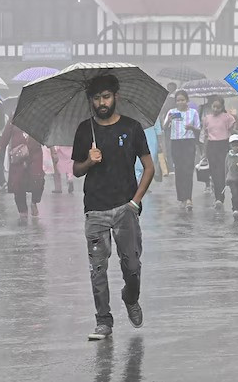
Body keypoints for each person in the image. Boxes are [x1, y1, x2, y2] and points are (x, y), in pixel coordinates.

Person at [71, 75, 154, 341]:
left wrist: (135, 202)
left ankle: (131, 297)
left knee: (131, 266)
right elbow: (76, 171)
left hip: (125, 208)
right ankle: (103, 321)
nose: (101, 102)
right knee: (98, 269)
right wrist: (88, 161)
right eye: (96, 98)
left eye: (106, 96)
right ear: (90, 101)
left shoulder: (132, 127)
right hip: (95, 209)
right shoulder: (85, 130)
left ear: (115, 96)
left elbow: (149, 168)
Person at [0, 120, 45, 220]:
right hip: (18, 156)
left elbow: (47, 134)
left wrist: (53, 150)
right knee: (18, 183)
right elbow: (5, 137)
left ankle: (34, 201)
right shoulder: (14, 118)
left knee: (38, 178)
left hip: (35, 154)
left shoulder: (39, 117)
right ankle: (22, 211)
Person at [164, 90, 200, 210]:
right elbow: (165, 128)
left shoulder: (193, 112)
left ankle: (189, 198)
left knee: (188, 170)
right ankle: (182, 198)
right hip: (176, 142)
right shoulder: (171, 112)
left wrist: (192, 127)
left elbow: (198, 129)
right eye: (178, 100)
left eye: (182, 100)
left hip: (189, 142)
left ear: (187, 100)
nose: (180, 102)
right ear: (175, 102)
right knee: (179, 170)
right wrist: (169, 120)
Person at [202, 97, 238, 209]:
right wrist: (204, 153)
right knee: (214, 173)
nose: (215, 109)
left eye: (218, 107)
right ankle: (218, 198)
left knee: (223, 171)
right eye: (214, 107)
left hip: (224, 145)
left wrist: (235, 116)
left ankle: (221, 196)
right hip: (211, 146)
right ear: (211, 107)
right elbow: (205, 136)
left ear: (222, 107)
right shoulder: (207, 118)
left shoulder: (227, 117)